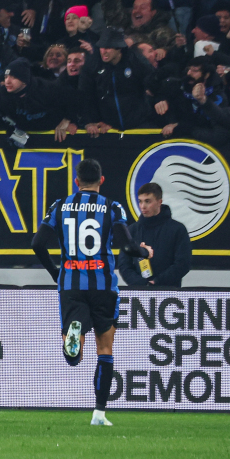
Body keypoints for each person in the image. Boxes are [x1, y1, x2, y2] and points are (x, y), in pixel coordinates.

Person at [31, 159, 153, 426]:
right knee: (105, 349)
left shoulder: (60, 206)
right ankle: (99, 413)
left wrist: (56, 273)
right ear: (101, 180)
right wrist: (145, 252)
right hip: (103, 285)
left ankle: (74, 338)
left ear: (76, 181)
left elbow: (37, 243)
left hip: (71, 284)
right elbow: (129, 248)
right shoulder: (112, 207)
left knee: (74, 358)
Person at [118, 183, 192, 289]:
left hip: (169, 293)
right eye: (140, 201)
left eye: (148, 201)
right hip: (138, 294)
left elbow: (183, 264)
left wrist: (157, 282)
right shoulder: (132, 230)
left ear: (159, 202)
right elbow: (124, 265)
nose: (143, 206)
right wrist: (142, 284)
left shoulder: (177, 230)